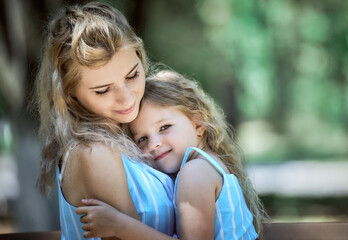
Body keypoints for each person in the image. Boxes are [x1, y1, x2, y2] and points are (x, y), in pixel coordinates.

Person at [35, 2, 176, 239]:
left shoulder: (135, 134)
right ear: (70, 94)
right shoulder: (94, 153)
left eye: (133, 75)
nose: (127, 98)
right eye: (103, 90)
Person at [76, 70, 267, 239]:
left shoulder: (195, 173)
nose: (154, 143)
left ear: (198, 124)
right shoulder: (206, 166)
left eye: (164, 127)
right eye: (142, 139)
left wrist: (120, 226)